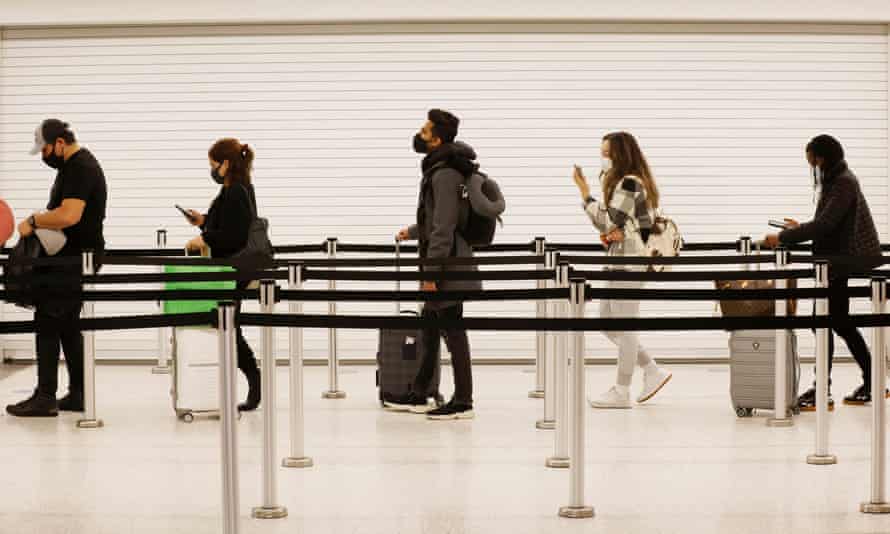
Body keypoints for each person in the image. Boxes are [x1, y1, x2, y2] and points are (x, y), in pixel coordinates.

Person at [765, 134, 885, 410]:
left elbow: (825, 225)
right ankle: (871, 382)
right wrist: (797, 227)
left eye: (812, 161)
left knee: (825, 322)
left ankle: (825, 390)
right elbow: (825, 222)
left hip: (839, 262)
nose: (812, 168)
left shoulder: (842, 182)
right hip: (836, 261)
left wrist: (784, 237)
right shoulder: (838, 179)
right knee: (838, 321)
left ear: (821, 158)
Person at [6, 119, 107, 417]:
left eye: (45, 149)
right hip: (73, 256)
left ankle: (45, 396)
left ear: (60, 143)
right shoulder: (74, 167)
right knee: (67, 326)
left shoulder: (79, 168)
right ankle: (78, 393)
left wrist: (34, 221)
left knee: (48, 321)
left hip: (72, 259)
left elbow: (70, 215)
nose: (43, 156)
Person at [387, 109, 478, 420]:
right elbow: (435, 220)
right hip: (443, 260)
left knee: (453, 332)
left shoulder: (444, 174)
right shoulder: (439, 169)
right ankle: (421, 392)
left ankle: (463, 401)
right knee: (430, 327)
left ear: (436, 139)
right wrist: (412, 232)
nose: (418, 135)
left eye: (424, 132)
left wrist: (430, 274)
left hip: (446, 266)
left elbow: (443, 227)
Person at [572, 131, 672, 409]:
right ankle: (651, 369)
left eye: (607, 153)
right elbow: (619, 224)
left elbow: (609, 221)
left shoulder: (629, 183)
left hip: (630, 264)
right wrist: (613, 232)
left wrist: (584, 195)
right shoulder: (625, 183)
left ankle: (622, 389)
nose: (603, 159)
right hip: (619, 261)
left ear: (620, 155)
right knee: (607, 320)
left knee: (624, 325)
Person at [182, 138, 262, 412]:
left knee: (230, 327)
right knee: (229, 328)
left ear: (226, 164)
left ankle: (254, 384)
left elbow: (234, 236)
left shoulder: (236, 191)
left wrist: (204, 238)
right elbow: (227, 223)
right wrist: (203, 221)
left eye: (213, 165)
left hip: (233, 270)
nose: (212, 170)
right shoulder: (235, 189)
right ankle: (250, 384)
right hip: (230, 269)